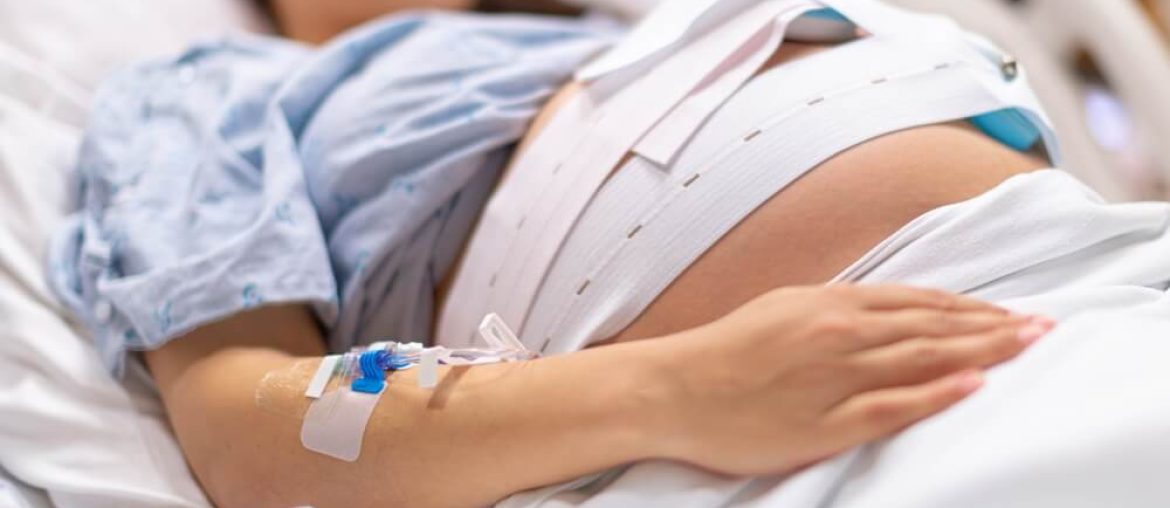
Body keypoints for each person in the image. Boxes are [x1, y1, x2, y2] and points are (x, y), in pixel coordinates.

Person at [48, 1, 1056, 506]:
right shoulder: (207, 87)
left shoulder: (611, 33)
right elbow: (243, 426)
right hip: (788, 433)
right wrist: (677, 389)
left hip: (1071, 268)